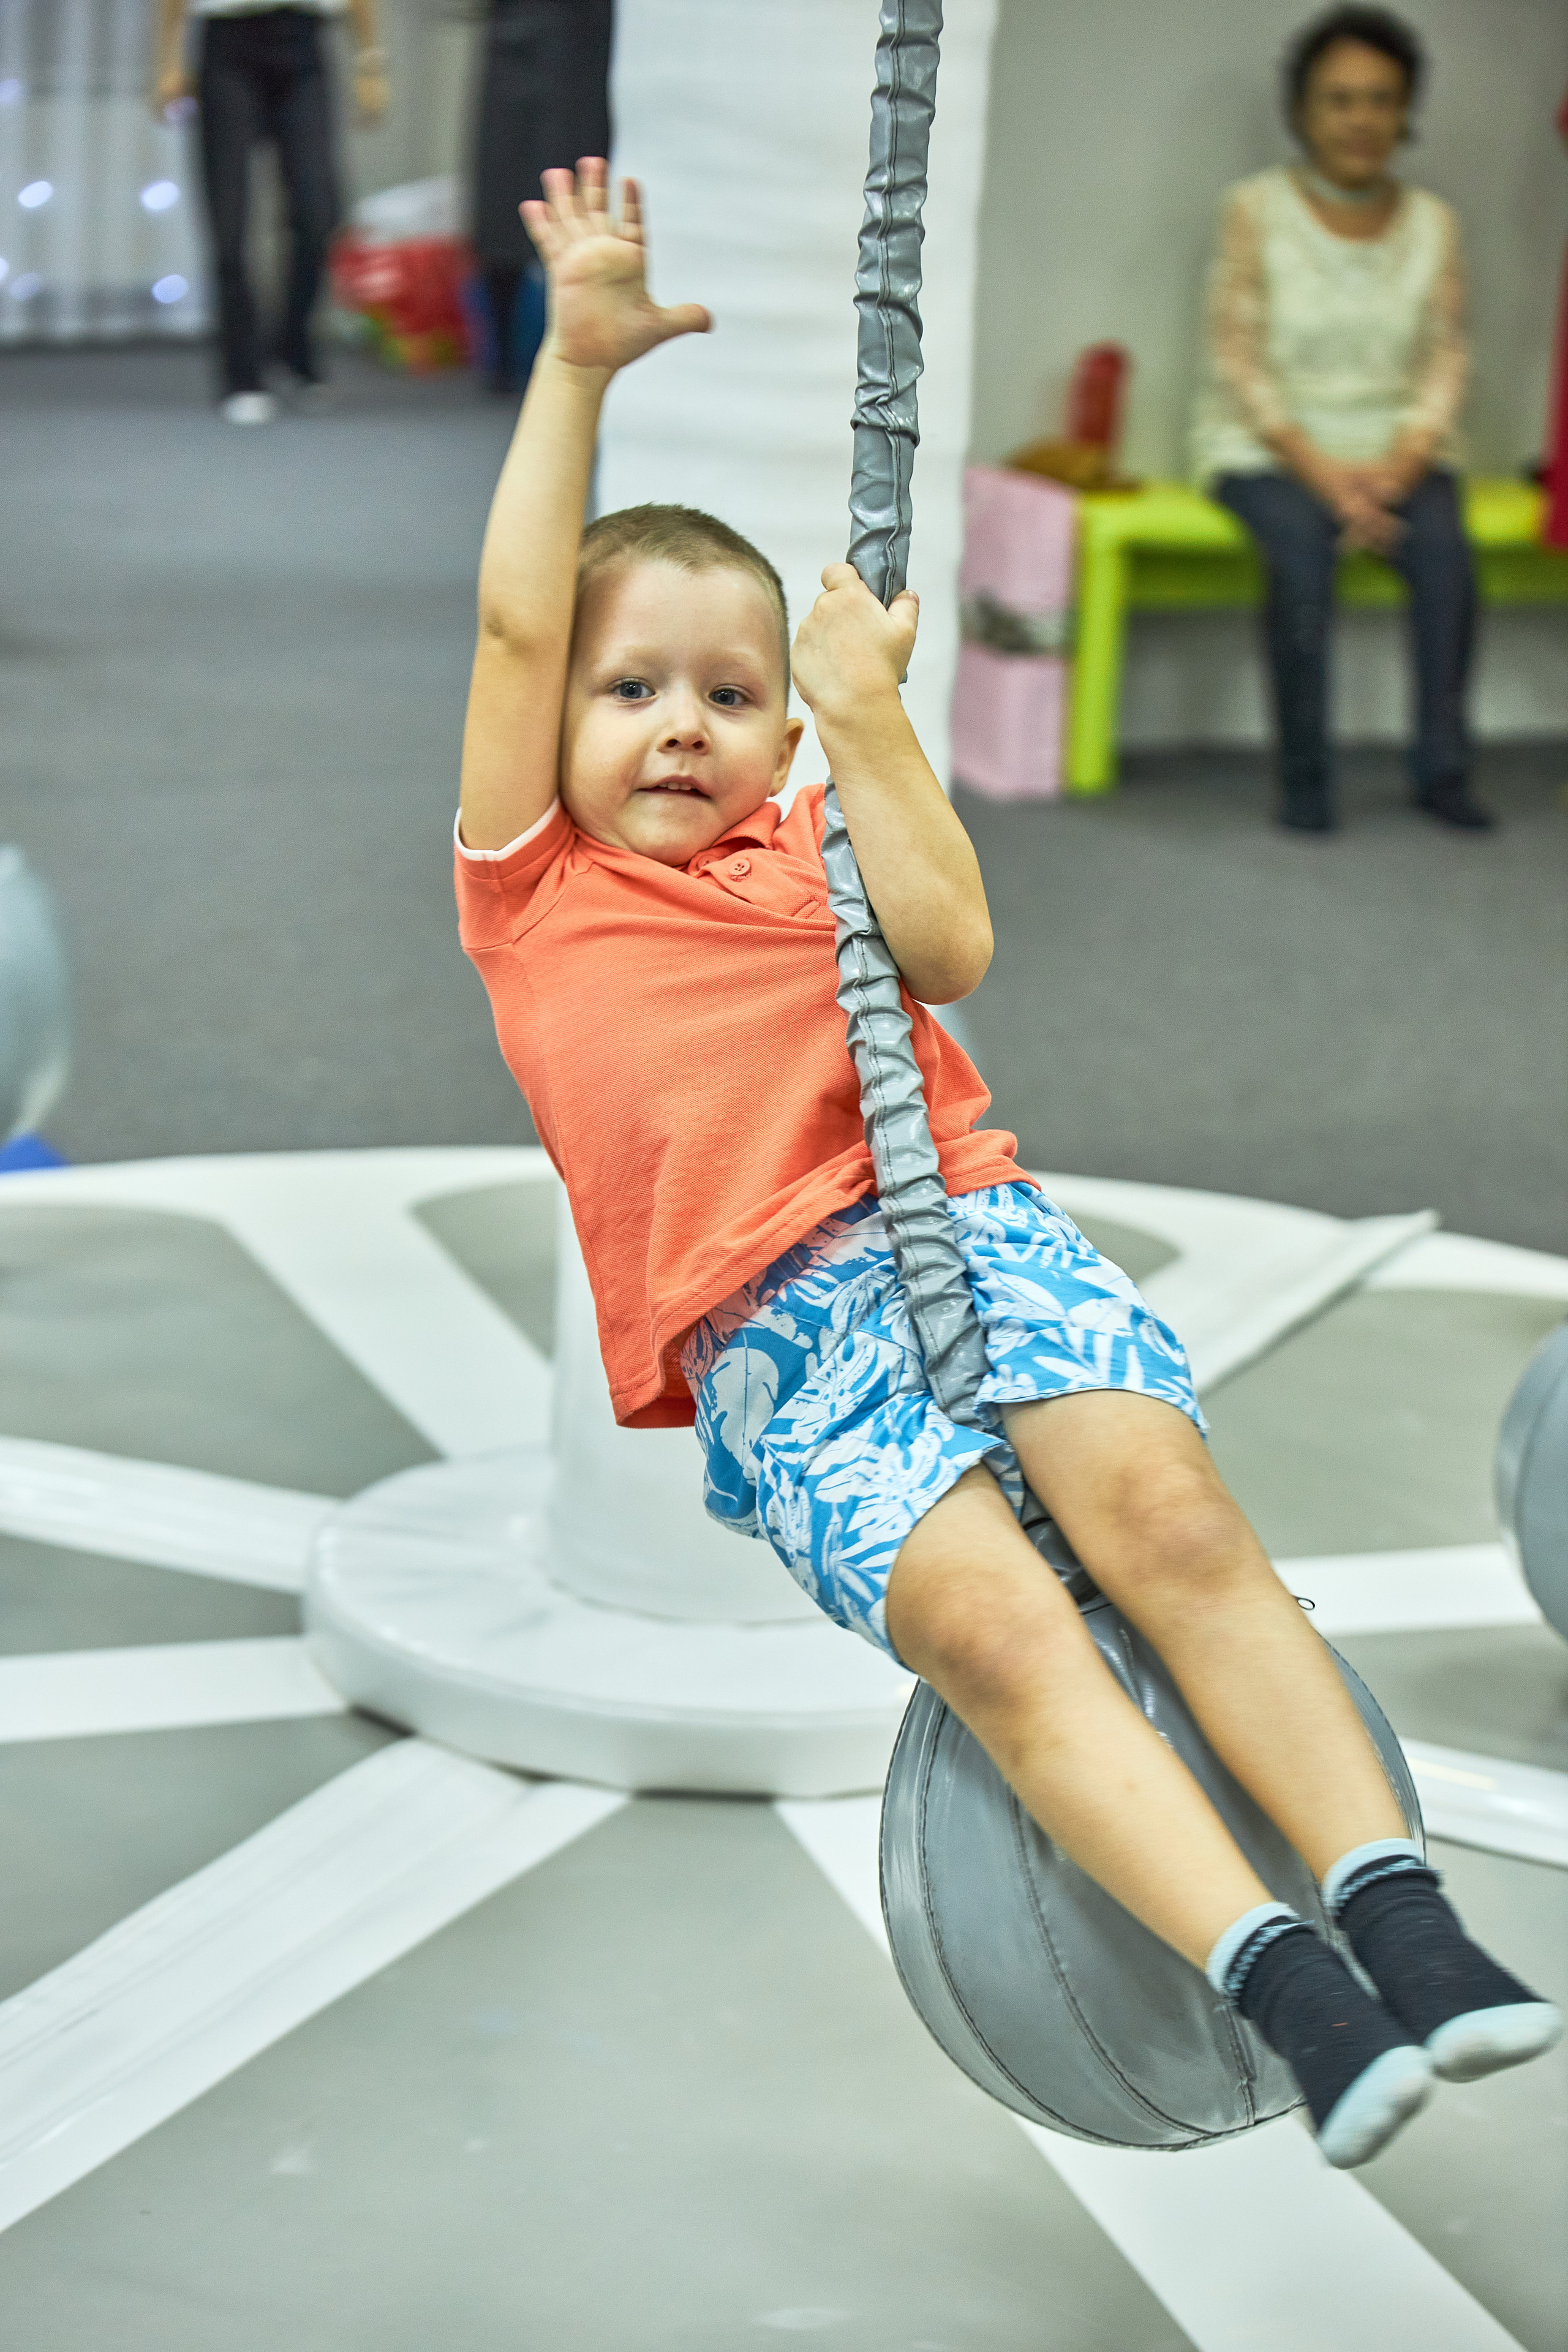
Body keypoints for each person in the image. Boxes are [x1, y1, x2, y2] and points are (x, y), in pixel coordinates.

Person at [456, 160, 1559, 2169]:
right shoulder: (530, 888)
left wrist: (866, 720)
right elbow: (527, 600)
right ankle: (1287, 1990)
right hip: (779, 1346)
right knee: (996, 1637)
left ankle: (1412, 1920)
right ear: (556, 724)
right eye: (631, 692)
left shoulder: (810, 843)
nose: (682, 727)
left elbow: (952, 947)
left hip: (954, 1226)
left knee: (1175, 1527)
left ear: (776, 725)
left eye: (730, 693)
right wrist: (575, 368)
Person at [1191, 7, 1490, 833]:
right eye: (1340, 99)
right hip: (1266, 447)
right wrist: (1330, 483)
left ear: (1405, 112)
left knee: (1447, 563)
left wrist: (1396, 470)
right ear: (1302, 110)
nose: (1361, 119)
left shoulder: (1436, 224)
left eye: (1380, 100)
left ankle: (1443, 771)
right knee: (1300, 560)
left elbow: (1445, 359)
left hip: (1399, 447)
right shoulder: (1252, 208)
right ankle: (1307, 782)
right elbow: (1240, 362)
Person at [152, 0, 390, 423]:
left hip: (304, 41)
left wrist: (369, 60)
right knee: (229, 221)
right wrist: (169, 58)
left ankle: (293, 347)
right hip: (228, 45)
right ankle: (241, 375)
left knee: (318, 212)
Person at [471, 0, 613, 396]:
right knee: (502, 200)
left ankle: (580, 350)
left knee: (582, 194)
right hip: (517, 37)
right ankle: (502, 358)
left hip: (588, 46)